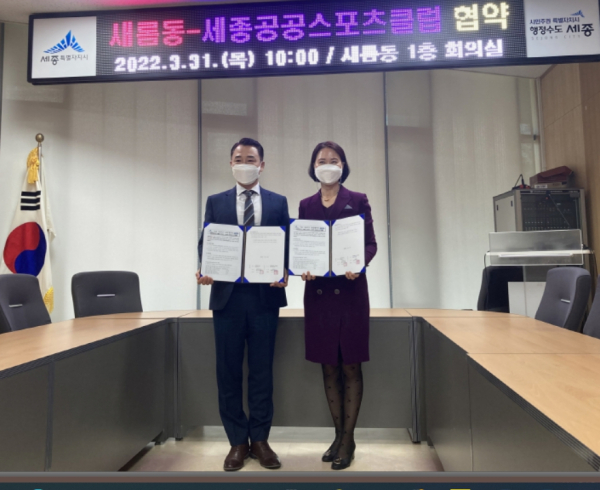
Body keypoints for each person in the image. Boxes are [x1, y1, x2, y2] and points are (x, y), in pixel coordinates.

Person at [196, 137, 289, 472]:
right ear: (230, 163)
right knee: (228, 371)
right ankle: (237, 441)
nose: (244, 164)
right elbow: (207, 243)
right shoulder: (215, 201)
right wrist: (205, 268)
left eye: (251, 159)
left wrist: (285, 271)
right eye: (239, 158)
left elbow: (286, 244)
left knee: (262, 371)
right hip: (227, 298)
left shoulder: (278, 202)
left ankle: (260, 440)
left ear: (262, 165)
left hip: (265, 298)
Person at [298, 141, 377, 470]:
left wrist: (359, 263)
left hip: (350, 293)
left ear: (343, 165)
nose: (327, 165)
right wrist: (302, 266)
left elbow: (370, 244)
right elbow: (301, 246)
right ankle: (337, 435)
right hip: (319, 297)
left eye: (334, 160)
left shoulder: (357, 200)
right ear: (313, 166)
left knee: (350, 366)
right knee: (328, 365)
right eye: (321, 160)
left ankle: (348, 439)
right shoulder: (306, 205)